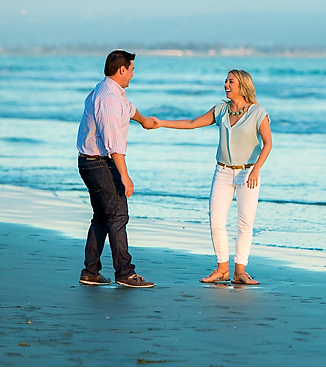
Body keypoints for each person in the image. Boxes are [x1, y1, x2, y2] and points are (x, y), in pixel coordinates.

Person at [156, 69, 272, 285]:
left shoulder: (258, 113)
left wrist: (256, 169)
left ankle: (240, 272)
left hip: (248, 173)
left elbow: (268, 144)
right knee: (216, 221)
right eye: (226, 81)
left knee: (245, 223)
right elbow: (192, 123)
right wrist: (162, 122)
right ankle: (222, 270)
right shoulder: (221, 110)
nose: (226, 84)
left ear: (243, 86)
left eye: (231, 81)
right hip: (222, 172)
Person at [76, 49, 157, 288]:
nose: (133, 74)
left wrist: (144, 120)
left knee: (102, 216)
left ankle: (91, 271)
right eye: (131, 69)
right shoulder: (109, 99)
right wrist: (125, 176)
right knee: (118, 215)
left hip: (89, 162)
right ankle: (124, 272)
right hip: (99, 163)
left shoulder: (108, 91)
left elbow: (129, 108)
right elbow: (113, 144)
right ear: (122, 69)